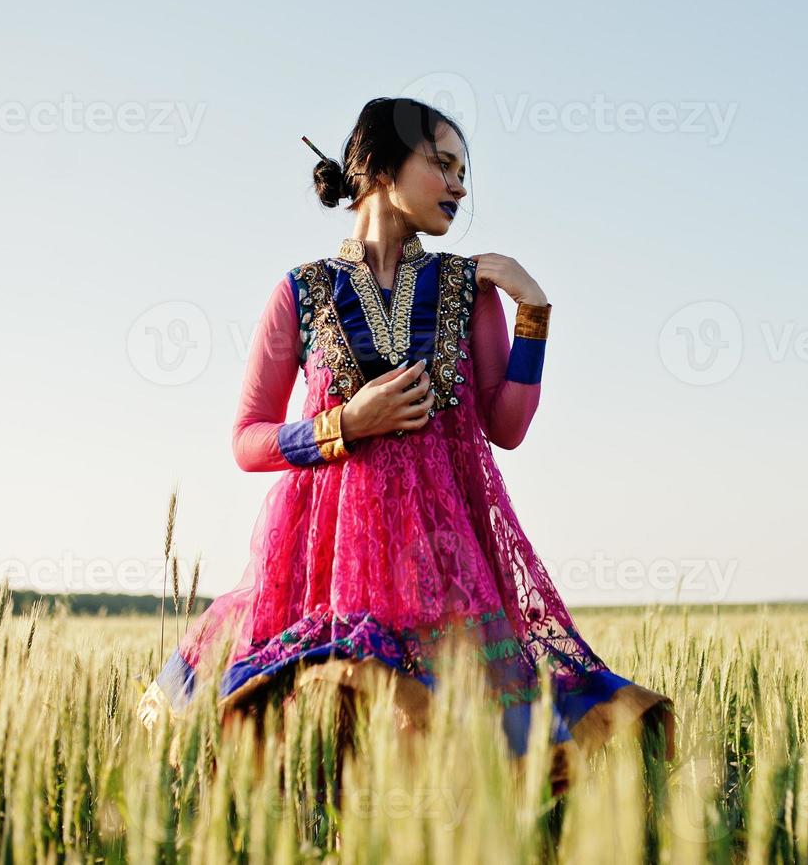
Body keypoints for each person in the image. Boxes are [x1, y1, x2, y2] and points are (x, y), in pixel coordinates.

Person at [145, 96, 674, 794]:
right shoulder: (302, 292)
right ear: (381, 164)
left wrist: (534, 317)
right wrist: (345, 424)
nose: (460, 185)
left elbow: (506, 428)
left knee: (451, 755)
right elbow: (247, 440)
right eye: (444, 164)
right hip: (323, 566)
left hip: (443, 564)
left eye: (465, 171)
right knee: (315, 761)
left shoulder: (467, 289)